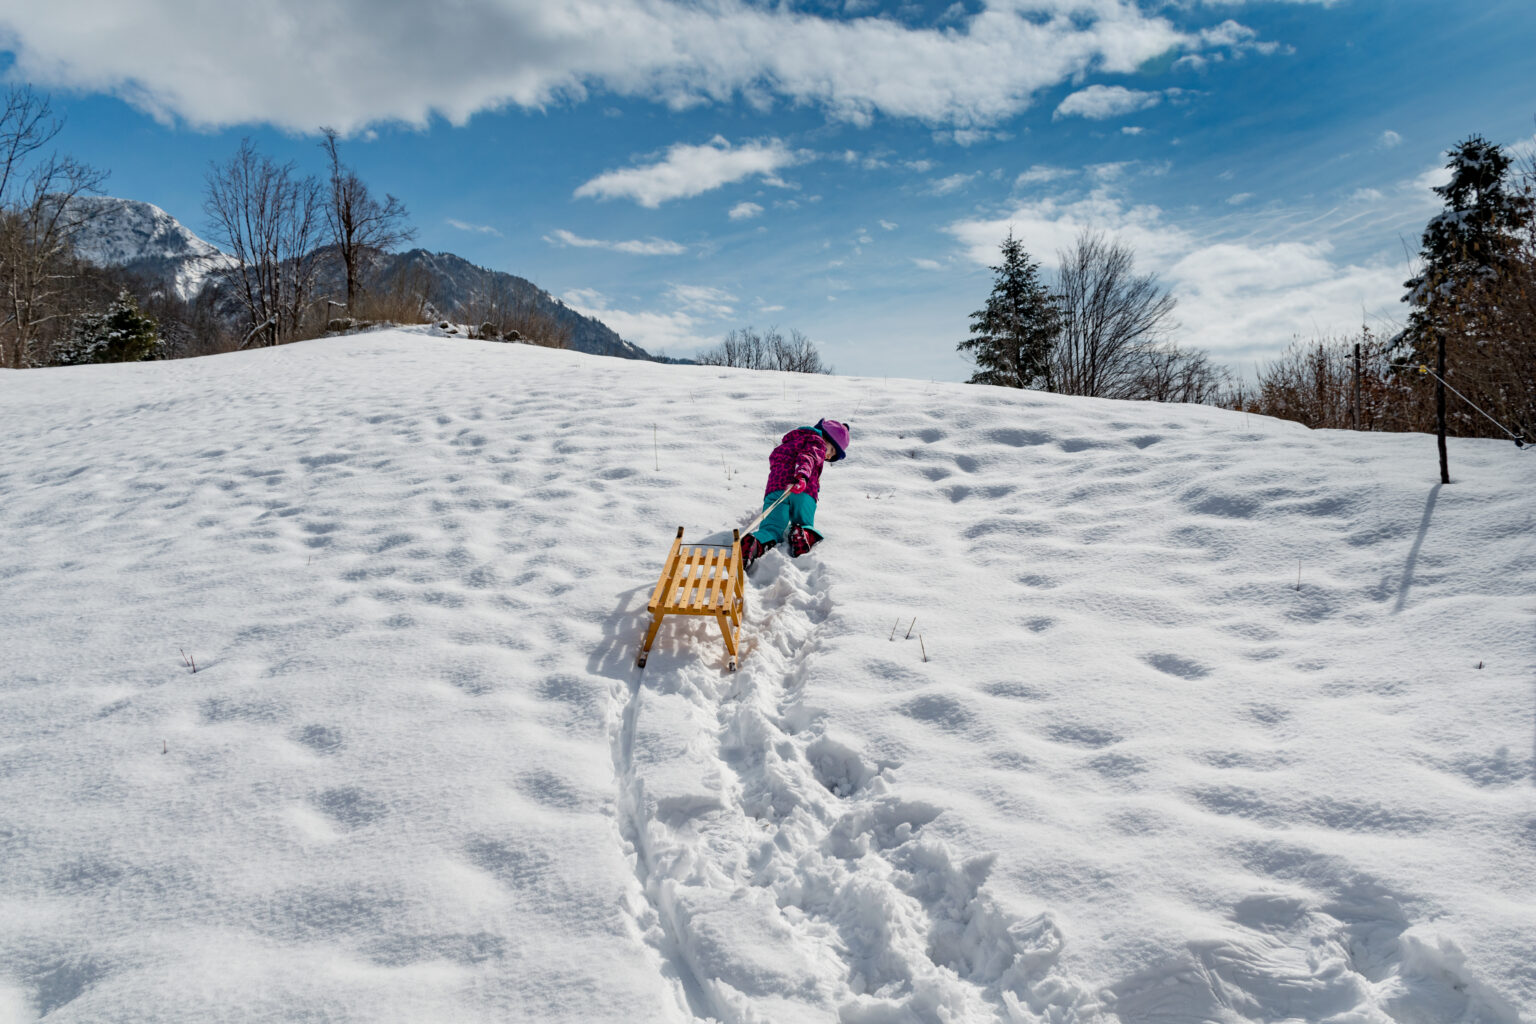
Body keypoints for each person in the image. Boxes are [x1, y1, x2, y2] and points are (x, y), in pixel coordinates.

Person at [740, 418, 850, 570]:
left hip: (776, 489)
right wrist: (802, 476)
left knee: (771, 527)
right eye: (831, 451)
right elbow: (808, 457)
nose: (829, 457)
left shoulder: (789, 443)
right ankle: (802, 534)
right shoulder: (816, 442)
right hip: (803, 490)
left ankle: (754, 544)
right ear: (825, 438)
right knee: (804, 522)